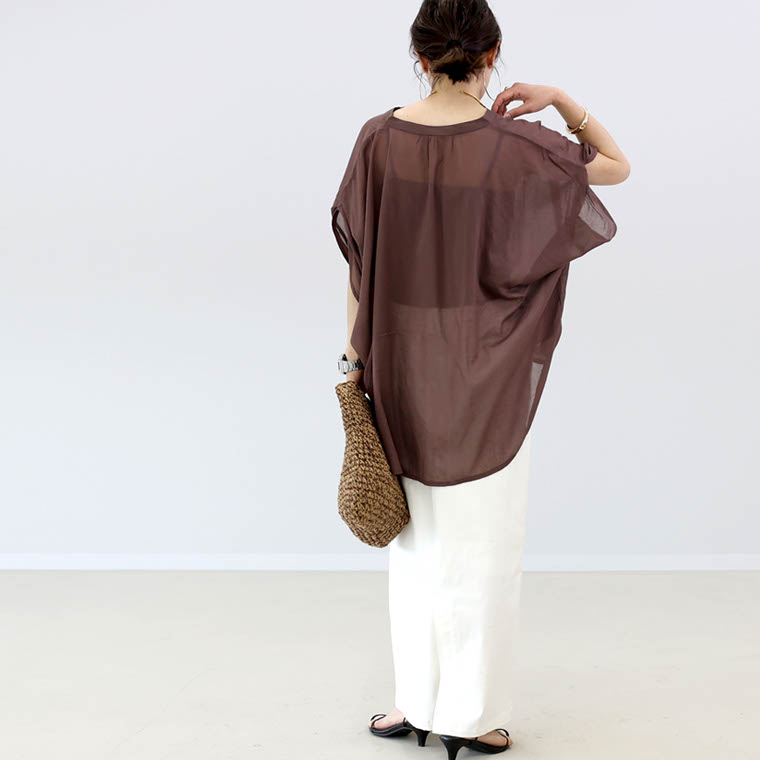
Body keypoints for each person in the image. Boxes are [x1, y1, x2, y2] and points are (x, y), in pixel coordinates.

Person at [330, 1, 630, 757]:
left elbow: (360, 266)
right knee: (483, 544)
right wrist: (560, 101)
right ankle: (471, 717)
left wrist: (353, 362)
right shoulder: (517, 146)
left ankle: (414, 704)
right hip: (488, 366)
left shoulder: (378, 140)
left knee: (414, 541)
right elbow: (616, 167)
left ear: (419, 55)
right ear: (492, 54)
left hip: (400, 360)